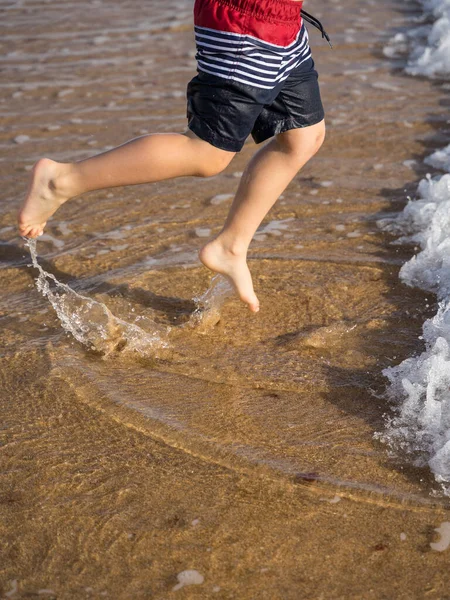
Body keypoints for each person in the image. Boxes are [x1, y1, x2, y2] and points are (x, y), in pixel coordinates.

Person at [18, 0, 327, 313]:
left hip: (284, 22)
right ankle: (60, 181)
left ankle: (230, 246)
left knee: (304, 136)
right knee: (207, 152)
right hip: (246, 26)